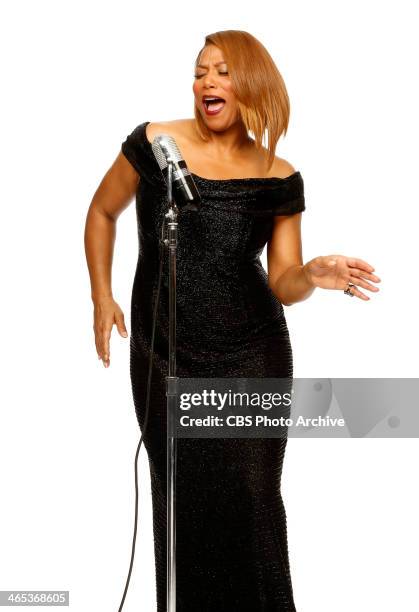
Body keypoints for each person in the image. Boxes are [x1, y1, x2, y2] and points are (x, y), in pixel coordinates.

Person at [84, 30, 380, 612]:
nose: (207, 83)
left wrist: (314, 271)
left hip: (251, 352)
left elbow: (284, 279)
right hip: (164, 350)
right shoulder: (152, 145)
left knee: (251, 496)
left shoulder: (279, 175)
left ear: (251, 84)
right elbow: (101, 211)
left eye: (222, 71)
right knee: (181, 498)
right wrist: (102, 295)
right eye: (200, 72)